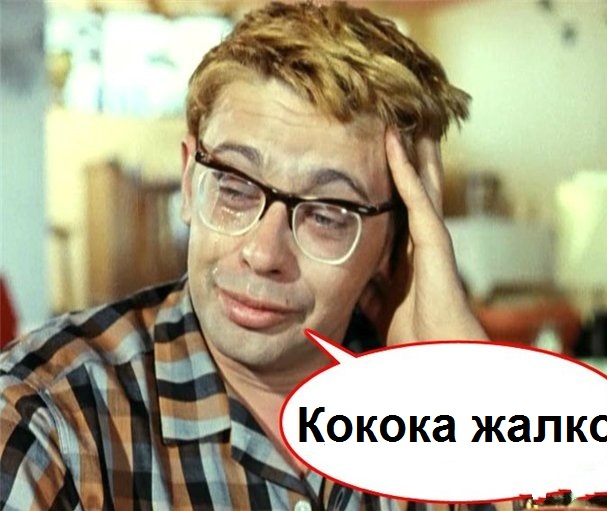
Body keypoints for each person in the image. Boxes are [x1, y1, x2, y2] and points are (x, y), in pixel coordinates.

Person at [0, 2, 489, 509]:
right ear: (189, 182)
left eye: (327, 214)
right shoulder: (45, 422)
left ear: (397, 238)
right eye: (234, 188)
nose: (262, 252)